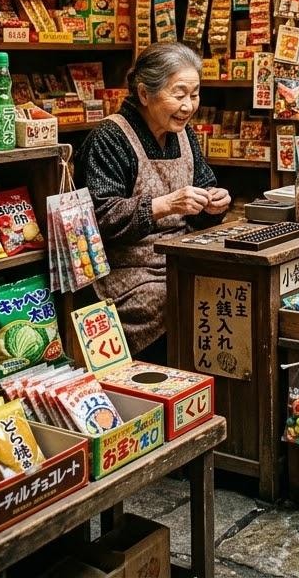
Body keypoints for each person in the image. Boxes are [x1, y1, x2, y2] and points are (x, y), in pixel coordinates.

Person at [76, 42, 231, 361]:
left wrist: (214, 205)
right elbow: (98, 219)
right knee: (171, 299)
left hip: (179, 257)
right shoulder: (110, 137)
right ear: (145, 94)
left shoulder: (185, 135)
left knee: (225, 287)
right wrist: (164, 205)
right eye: (179, 94)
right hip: (125, 271)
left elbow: (202, 194)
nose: (188, 106)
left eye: (195, 94)